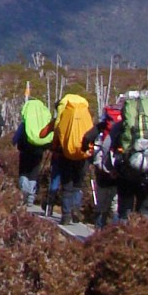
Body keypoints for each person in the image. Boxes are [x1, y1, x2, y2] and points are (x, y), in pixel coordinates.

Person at [111, 88, 148, 223]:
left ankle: (123, 236)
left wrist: (112, 168)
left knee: (125, 209)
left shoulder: (120, 127)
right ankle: (142, 235)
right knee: (145, 208)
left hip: (126, 173)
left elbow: (108, 146)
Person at [50, 91, 95, 222]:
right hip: (83, 155)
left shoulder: (64, 117)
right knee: (77, 184)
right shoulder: (85, 117)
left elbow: (58, 135)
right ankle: (76, 211)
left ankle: (66, 215)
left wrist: (54, 147)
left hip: (65, 155)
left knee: (67, 185)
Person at [87, 101, 125, 227]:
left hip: (102, 169)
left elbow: (87, 138)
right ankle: (114, 232)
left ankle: (98, 230)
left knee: (101, 203)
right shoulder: (124, 127)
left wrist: (87, 155)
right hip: (119, 170)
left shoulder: (102, 126)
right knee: (116, 205)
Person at [14, 94, 54, 210]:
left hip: (25, 150)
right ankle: (31, 197)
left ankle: (23, 195)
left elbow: (16, 137)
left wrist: (14, 142)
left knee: (24, 172)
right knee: (34, 173)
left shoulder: (26, 123)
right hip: (38, 150)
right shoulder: (42, 122)